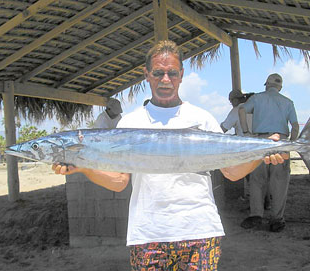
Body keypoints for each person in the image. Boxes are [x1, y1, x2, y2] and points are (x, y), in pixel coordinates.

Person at [52, 41, 288, 270]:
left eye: (172, 73)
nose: (166, 80)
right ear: (146, 74)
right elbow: (119, 181)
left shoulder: (202, 118)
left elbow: (232, 172)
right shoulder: (131, 122)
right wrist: (83, 168)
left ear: (182, 75)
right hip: (148, 235)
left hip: (200, 232)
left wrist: (261, 153)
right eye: (158, 73)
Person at [238, 73, 299, 232]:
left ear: (266, 85)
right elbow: (295, 125)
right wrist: (291, 142)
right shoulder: (287, 102)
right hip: (281, 141)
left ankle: (256, 214)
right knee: (279, 183)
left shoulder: (257, 98)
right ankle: (277, 220)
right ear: (280, 87)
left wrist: (246, 132)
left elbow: (241, 110)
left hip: (261, 141)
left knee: (257, 180)